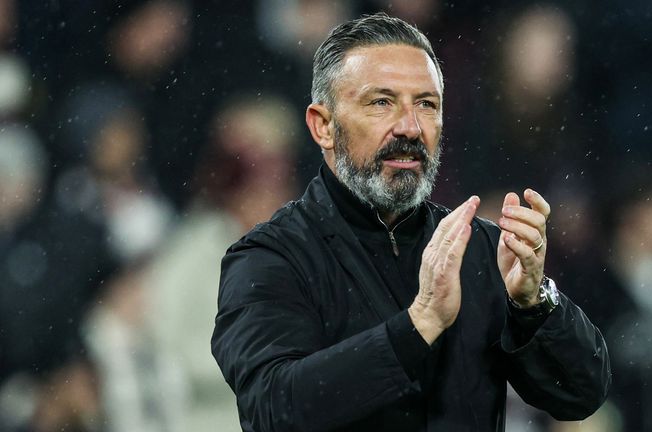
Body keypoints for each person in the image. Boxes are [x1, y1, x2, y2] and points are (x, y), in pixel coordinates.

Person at [211, 13, 611, 432]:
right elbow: (273, 411)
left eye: (426, 104)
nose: (410, 127)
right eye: (381, 102)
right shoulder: (269, 260)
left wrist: (533, 304)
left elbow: (582, 394)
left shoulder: (480, 249)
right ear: (323, 126)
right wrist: (419, 324)